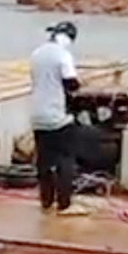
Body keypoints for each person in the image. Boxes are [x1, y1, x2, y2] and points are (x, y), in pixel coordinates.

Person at [30, 21, 88, 216]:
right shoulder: (63, 55)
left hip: (37, 114)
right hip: (56, 115)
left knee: (43, 160)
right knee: (66, 158)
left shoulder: (36, 54)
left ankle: (46, 200)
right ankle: (65, 203)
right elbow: (71, 83)